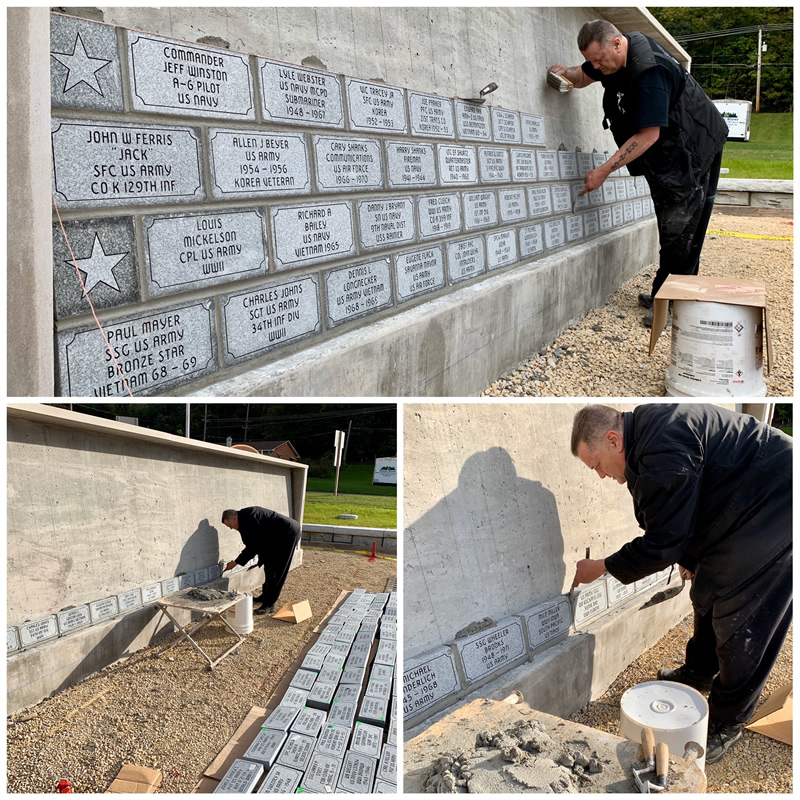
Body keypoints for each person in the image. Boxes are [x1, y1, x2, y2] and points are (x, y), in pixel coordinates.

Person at [570, 404, 792, 764]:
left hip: (777, 499)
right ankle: (699, 672)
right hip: (745, 498)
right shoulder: (646, 438)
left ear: (612, 440)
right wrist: (689, 558)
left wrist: (602, 566)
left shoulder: (662, 450)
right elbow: (682, 507)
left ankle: (728, 720)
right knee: (707, 590)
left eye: (595, 464)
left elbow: (663, 542)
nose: (599, 475)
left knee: (743, 609)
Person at [548, 20, 728, 326]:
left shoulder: (649, 72)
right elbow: (582, 76)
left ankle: (671, 303)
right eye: (591, 60)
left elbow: (647, 136)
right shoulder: (610, 58)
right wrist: (565, 72)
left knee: (681, 227)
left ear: (617, 44)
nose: (596, 66)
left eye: (599, 60)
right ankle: (668, 291)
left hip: (692, 150)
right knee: (673, 225)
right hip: (668, 153)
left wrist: (603, 171)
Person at [221, 506, 302, 615]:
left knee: (276, 569)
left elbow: (252, 547)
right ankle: (265, 596)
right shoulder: (244, 520)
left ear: (234, 517)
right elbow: (256, 540)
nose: (231, 528)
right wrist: (261, 552)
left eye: (230, 525)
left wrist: (235, 563)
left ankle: (269, 604)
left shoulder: (249, 519)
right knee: (268, 566)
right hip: (274, 536)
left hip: (287, 534)